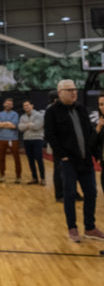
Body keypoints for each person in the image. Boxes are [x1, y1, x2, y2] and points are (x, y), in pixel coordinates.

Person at [44, 79, 104, 243]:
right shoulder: (52, 112)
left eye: (75, 89)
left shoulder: (81, 108)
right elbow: (50, 135)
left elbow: (89, 132)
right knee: (69, 194)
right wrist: (62, 155)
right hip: (68, 161)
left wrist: (96, 154)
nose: (74, 92)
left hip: (86, 160)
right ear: (60, 93)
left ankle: (90, 227)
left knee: (91, 193)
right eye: (69, 90)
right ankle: (72, 228)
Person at [0, 98, 22, 183]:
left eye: (10, 104)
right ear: (4, 104)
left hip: (13, 139)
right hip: (1, 139)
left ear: (12, 106)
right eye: (7, 103)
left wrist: (1, 123)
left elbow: (13, 126)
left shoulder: (15, 114)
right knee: (1, 158)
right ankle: (2, 176)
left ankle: (18, 176)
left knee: (16, 158)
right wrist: (7, 123)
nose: (8, 105)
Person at [18, 100, 46, 185]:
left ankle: (43, 178)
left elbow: (37, 126)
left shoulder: (39, 115)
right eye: (24, 106)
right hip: (27, 139)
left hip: (37, 139)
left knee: (39, 158)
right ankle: (34, 178)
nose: (26, 107)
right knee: (30, 160)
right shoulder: (22, 116)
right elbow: (20, 127)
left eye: (27, 105)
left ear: (32, 106)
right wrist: (30, 124)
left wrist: (26, 125)